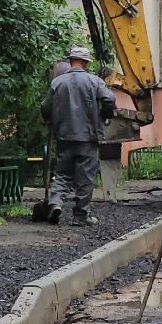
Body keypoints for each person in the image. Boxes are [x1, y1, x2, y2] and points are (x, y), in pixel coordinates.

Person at [40, 46, 115, 227]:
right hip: (88, 137)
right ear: (86, 62)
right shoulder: (94, 81)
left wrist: (51, 119)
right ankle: (81, 216)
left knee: (62, 174)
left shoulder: (58, 82)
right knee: (85, 177)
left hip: (64, 136)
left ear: (70, 60)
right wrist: (105, 115)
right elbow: (109, 99)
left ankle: (55, 203)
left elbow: (45, 107)